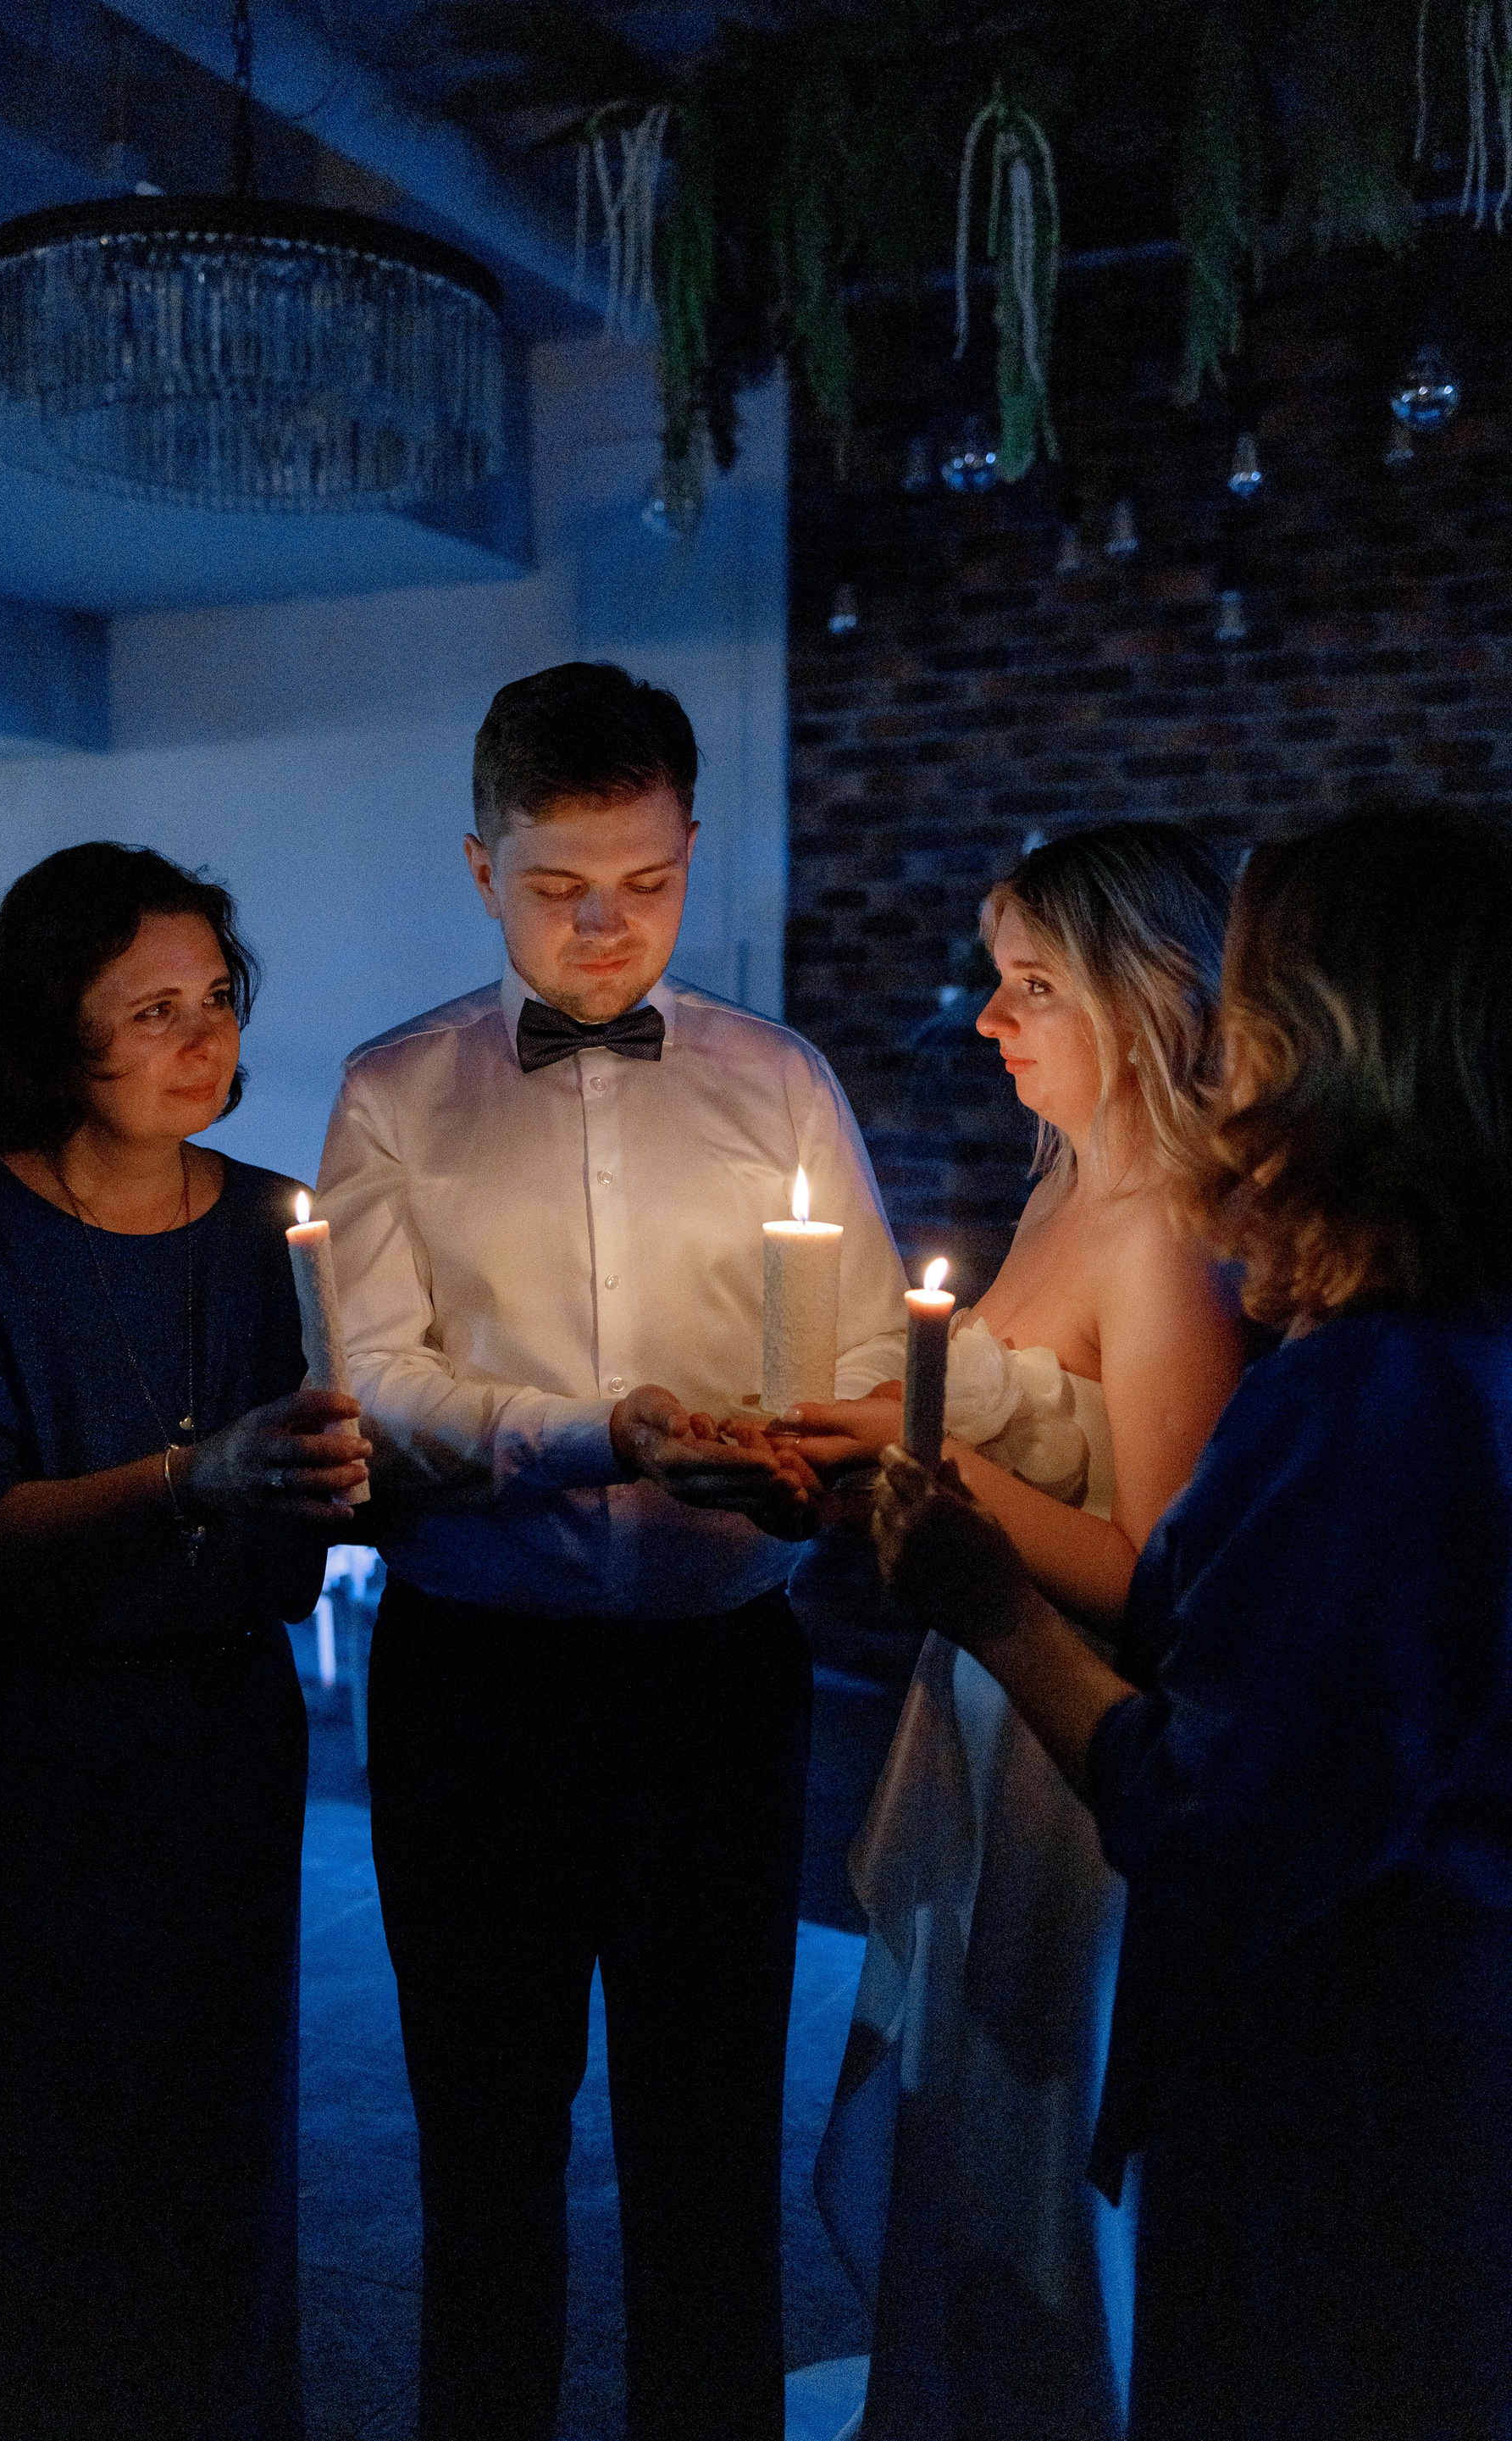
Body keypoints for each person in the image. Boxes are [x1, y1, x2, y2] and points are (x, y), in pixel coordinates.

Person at [314, 659, 908, 2441]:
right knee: (484, 2146)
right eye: (559, 886)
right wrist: (605, 1435)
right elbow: (377, 1384)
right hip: (474, 1683)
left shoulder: (778, 1080)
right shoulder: (395, 1090)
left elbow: (861, 1351)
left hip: (718, 1680)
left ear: (692, 850)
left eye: (647, 883)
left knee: (708, 2150)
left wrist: (804, 1460)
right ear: (480, 867)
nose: (605, 928)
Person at [873, 806, 1512, 2440]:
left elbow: (1210, 1794)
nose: (1226, 1048)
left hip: (1343, 2065)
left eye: (1251, 999)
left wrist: (991, 1599)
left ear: (1331, 1043)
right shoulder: (1446, 1345)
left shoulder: (1370, 1389)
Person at [0, 843, 370, 2441]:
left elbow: (333, 1488)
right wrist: (190, 1476)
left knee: (210, 2144)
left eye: (216, 997)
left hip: (217, 1745)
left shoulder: (280, 1228)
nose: (203, 1035)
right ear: (53, 1028)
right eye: (152, 1008)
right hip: (7, 1760)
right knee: (15, 2152)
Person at [789, 824, 1245, 2438]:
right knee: (966, 2103)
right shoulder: (1063, 1192)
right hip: (988, 1705)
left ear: (1151, 994)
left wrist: (927, 1466)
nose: (989, 1018)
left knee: (1041, 2116)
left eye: (1033, 985)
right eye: (996, 980)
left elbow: (1165, 1579)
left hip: (1077, 1741)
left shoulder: (1171, 1227)